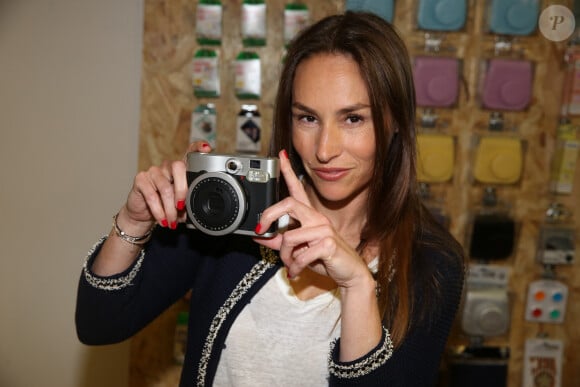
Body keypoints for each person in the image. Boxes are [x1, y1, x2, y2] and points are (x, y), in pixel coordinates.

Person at [76, 11, 465, 387]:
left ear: (395, 119)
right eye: (307, 118)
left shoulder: (430, 264)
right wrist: (133, 222)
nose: (324, 149)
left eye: (353, 119)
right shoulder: (238, 215)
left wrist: (358, 288)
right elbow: (100, 323)